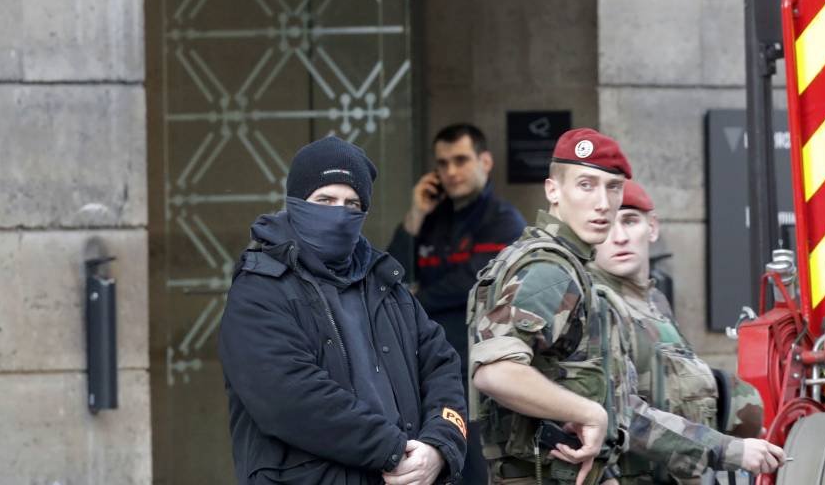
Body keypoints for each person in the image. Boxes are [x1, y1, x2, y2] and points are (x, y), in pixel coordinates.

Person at [467, 128, 785, 485]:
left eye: (613, 187)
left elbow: (603, 397)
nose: (603, 203)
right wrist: (590, 413)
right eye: (586, 185)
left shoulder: (577, 272)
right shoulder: (550, 271)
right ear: (553, 190)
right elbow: (494, 371)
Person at [219, 135, 467, 485]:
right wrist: (395, 451)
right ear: (294, 202)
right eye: (324, 200)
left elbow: (442, 365)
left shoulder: (387, 284)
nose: (338, 213)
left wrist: (439, 447)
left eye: (352, 204)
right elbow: (291, 399)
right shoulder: (259, 290)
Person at [592, 180, 766, 485]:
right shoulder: (597, 304)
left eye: (630, 221)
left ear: (652, 228)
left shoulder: (653, 299)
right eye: (607, 226)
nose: (619, 237)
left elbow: (673, 389)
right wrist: (727, 448)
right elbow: (617, 414)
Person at [388, 123, 526, 483]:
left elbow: (473, 282)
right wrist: (415, 215)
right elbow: (390, 276)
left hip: (480, 373)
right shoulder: (430, 221)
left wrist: (416, 299)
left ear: (485, 161)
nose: (451, 172)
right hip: (426, 370)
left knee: (476, 472)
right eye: (443, 163)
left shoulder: (504, 221)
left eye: (461, 160)